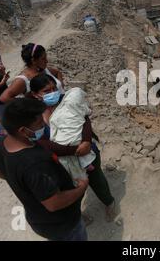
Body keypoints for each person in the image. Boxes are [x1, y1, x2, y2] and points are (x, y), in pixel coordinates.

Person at [0, 98, 89, 241]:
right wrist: (81, 188)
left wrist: (25, 185)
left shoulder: (1, 144)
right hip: (62, 224)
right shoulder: (35, 162)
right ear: (23, 130)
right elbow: (54, 203)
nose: (43, 123)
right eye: (39, 123)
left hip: (37, 218)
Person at [30, 74, 117, 221]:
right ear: (35, 94)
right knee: (71, 189)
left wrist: (87, 141)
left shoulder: (66, 100)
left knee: (97, 179)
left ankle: (109, 202)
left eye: (54, 88)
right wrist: (74, 151)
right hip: (60, 160)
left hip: (87, 150)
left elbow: (84, 118)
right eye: (46, 91)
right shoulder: (33, 114)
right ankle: (78, 215)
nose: (53, 93)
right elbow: (43, 142)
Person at [0, 43, 64, 102]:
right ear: (33, 61)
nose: (46, 61)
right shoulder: (23, 80)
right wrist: (30, 104)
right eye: (43, 59)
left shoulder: (46, 70)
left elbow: (58, 72)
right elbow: (4, 98)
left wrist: (60, 86)